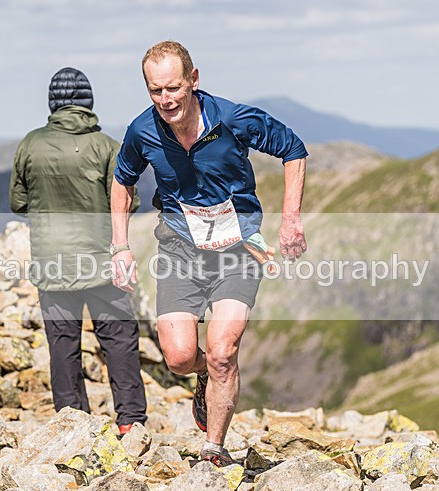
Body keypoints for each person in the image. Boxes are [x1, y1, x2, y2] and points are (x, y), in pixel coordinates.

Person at [110, 41, 307, 465]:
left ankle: (213, 450)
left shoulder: (233, 118)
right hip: (180, 250)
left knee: (222, 352)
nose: (166, 100)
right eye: (155, 91)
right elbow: (121, 181)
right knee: (180, 357)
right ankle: (202, 377)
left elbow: (293, 149)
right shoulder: (141, 131)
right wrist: (121, 247)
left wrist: (290, 218)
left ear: (194, 80)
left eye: (174, 88)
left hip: (238, 248)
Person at [10, 67, 147, 435]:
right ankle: (130, 420)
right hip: (102, 261)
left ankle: (72, 423)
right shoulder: (106, 146)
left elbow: (18, 202)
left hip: (51, 263)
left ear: (53, 102)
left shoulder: (29, 144)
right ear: (88, 101)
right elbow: (126, 203)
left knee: (63, 343)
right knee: (118, 339)